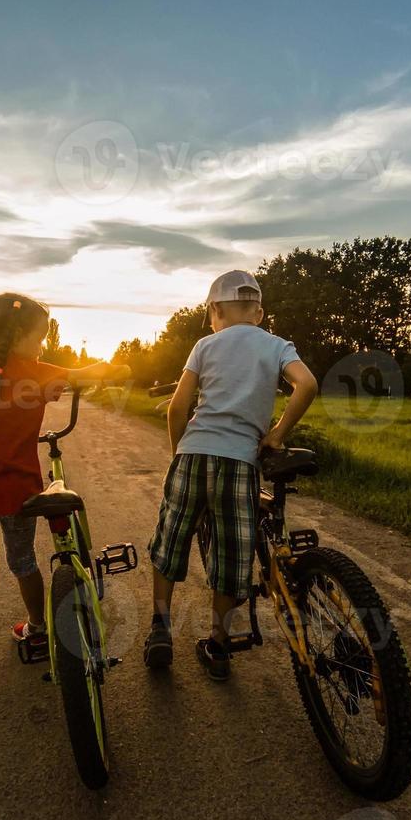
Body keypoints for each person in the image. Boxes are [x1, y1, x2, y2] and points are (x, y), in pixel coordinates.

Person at [0, 292, 130, 697]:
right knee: (23, 560)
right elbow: (86, 374)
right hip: (17, 490)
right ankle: (36, 628)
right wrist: (116, 367)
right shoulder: (36, 371)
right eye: (39, 337)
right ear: (18, 333)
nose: (42, 346)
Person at [143, 271, 318, 680]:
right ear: (258, 312)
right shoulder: (276, 345)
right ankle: (219, 645)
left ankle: (160, 629)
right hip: (240, 461)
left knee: (170, 539)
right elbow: (306, 385)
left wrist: (178, 453)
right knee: (231, 555)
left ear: (215, 311)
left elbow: (178, 407)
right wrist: (276, 434)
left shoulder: (205, 345)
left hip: (194, 454)